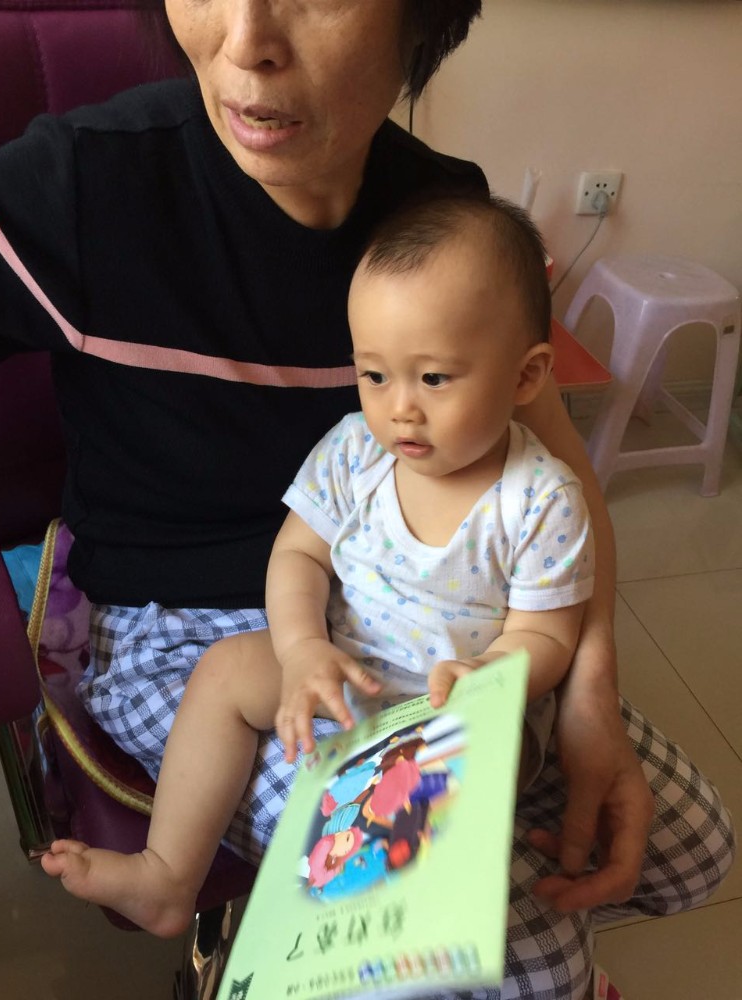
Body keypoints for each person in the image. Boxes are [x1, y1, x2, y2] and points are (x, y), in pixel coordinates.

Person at [0, 1, 733, 996]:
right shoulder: (80, 187)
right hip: (183, 633)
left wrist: (589, 685)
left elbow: (554, 466)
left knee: (691, 854)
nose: (245, 41)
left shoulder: (444, 222)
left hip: (404, 608)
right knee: (512, 964)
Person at [41, 192, 598, 938]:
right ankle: (168, 875)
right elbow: (298, 552)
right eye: (374, 375)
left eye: (434, 379)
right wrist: (303, 647)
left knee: (434, 852)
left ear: (526, 377)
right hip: (349, 664)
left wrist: (494, 675)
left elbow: (548, 634)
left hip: (453, 711)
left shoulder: (541, 499)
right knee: (225, 671)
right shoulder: (354, 450)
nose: (399, 409)